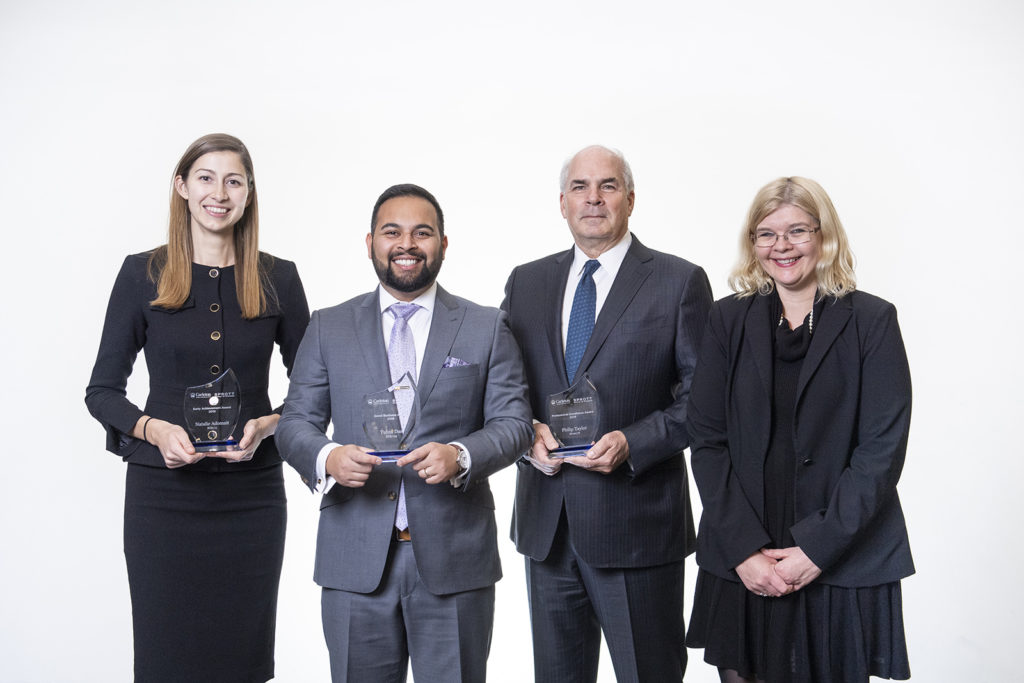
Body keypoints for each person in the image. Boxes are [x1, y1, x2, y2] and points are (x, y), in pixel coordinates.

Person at [275, 183, 532, 682]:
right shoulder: (328, 326)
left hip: (455, 559)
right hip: (354, 557)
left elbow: (514, 423)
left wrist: (460, 455)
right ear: (370, 242)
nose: (407, 244)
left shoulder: (486, 326)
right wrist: (328, 457)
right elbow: (295, 423)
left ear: (443, 244)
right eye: (392, 232)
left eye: (422, 232)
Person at [84, 133, 310, 682]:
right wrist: (154, 430)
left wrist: (269, 425)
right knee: (166, 656)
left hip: (251, 498)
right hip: (163, 499)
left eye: (234, 181)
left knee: (242, 658)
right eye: (206, 178)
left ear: (249, 192)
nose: (219, 193)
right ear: (182, 186)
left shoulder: (279, 277)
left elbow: (314, 391)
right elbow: (102, 391)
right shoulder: (142, 273)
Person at [684, 176, 914, 683]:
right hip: (744, 552)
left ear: (824, 235)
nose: (781, 246)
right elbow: (707, 441)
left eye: (797, 231)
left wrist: (817, 550)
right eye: (766, 234)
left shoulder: (872, 320)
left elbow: (880, 452)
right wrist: (744, 551)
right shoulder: (726, 320)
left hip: (840, 553)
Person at [501, 145, 714, 683]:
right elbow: (503, 388)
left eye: (608, 186)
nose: (593, 198)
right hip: (548, 527)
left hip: (636, 526)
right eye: (580, 187)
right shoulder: (526, 282)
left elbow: (704, 401)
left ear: (630, 200)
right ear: (562, 203)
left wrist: (633, 442)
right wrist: (525, 434)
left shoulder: (678, 281)